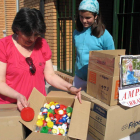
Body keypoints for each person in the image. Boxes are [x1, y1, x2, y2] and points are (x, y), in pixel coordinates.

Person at [0, 7, 82, 112]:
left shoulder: (42, 44)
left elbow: (50, 75)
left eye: (36, 34)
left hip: (37, 106)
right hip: (11, 107)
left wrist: (69, 87)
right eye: (28, 34)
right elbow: (1, 82)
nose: (32, 39)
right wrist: (17, 95)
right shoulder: (3, 46)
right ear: (17, 29)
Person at [73, 0, 115, 91]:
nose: (84, 21)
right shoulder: (76, 33)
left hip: (97, 81)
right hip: (79, 79)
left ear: (96, 16)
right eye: (81, 17)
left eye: (88, 18)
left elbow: (112, 59)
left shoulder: (104, 35)